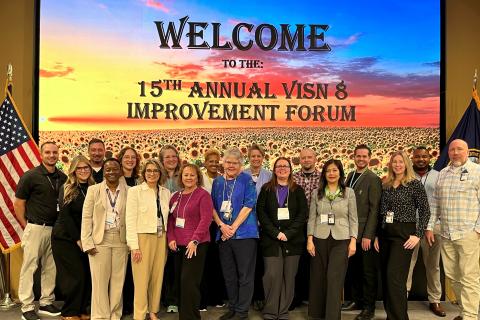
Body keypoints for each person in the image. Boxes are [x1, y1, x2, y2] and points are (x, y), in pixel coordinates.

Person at [425, 139, 480, 320]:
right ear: (448, 152)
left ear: (467, 151)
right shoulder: (442, 174)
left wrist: (477, 230)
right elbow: (435, 204)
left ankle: (471, 316)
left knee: (469, 276)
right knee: (453, 275)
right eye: (452, 150)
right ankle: (465, 311)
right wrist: (430, 226)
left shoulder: (477, 172)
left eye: (460, 149)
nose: (455, 153)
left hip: (467, 233)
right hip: (446, 233)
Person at [14, 142, 67, 320]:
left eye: (54, 152)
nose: (52, 155)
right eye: (48, 152)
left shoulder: (63, 177)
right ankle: (27, 307)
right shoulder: (30, 176)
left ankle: (46, 302)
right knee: (29, 268)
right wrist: (27, 225)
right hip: (36, 227)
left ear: (58, 154)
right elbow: (19, 203)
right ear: (41, 154)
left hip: (55, 230)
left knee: (50, 268)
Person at [375, 151, 430, 320]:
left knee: (395, 278)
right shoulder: (387, 184)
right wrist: (377, 235)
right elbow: (381, 212)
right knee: (386, 277)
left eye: (401, 162)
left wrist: (418, 235)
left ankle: (400, 317)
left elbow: (425, 211)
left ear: (406, 163)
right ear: (390, 164)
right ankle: (391, 315)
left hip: (404, 235)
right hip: (385, 234)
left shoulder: (414, 184)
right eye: (394, 162)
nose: (397, 165)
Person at [257, 157, 307, 320]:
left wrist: (289, 233)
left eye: (285, 166)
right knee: (272, 275)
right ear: (274, 169)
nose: (282, 169)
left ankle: (283, 311)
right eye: (279, 166)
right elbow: (261, 213)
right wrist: (276, 233)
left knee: (289, 276)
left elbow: (302, 214)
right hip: (271, 240)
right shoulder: (266, 189)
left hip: (293, 241)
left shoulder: (297, 190)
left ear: (290, 169)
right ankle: (271, 311)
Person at [307, 159, 358, 320]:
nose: (331, 173)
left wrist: (353, 241)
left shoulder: (349, 192)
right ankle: (316, 314)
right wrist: (309, 240)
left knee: (334, 278)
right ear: (324, 174)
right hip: (319, 238)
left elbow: (353, 219)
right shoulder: (317, 192)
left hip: (341, 239)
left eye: (335, 170)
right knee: (318, 278)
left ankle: (332, 316)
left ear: (340, 173)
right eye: (328, 170)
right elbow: (312, 218)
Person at [212, 148, 258, 320]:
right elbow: (212, 208)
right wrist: (221, 225)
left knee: (245, 275)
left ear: (241, 165)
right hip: (223, 234)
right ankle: (232, 306)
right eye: (228, 162)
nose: (231, 165)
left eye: (235, 163)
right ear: (223, 163)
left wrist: (232, 228)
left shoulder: (247, 180)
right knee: (229, 274)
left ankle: (242, 311)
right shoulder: (217, 182)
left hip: (245, 234)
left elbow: (249, 205)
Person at [81, 158, 129, 320]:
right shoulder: (93, 190)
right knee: (99, 281)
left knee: (118, 280)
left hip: (121, 240)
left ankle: (115, 314)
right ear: (103, 172)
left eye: (115, 169)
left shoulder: (130, 191)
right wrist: (87, 243)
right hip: (100, 240)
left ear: (120, 171)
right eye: (108, 169)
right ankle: (100, 316)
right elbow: (86, 218)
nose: (111, 172)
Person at [167, 164, 213, 320]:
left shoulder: (203, 195)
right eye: (185, 175)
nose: (189, 178)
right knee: (180, 283)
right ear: (181, 177)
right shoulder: (175, 196)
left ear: (197, 177)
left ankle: (191, 317)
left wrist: (195, 240)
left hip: (196, 245)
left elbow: (206, 219)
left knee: (189, 283)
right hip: (178, 245)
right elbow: (171, 221)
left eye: (192, 175)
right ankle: (184, 316)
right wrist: (171, 238)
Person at [126, 159, 170, 320]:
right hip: (142, 238)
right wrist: (134, 246)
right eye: (149, 171)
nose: (152, 174)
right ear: (144, 173)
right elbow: (130, 220)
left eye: (155, 171)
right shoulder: (135, 191)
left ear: (160, 174)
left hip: (161, 238)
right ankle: (139, 314)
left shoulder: (165, 192)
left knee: (157, 277)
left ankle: (153, 311)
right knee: (141, 279)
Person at [51, 155, 94, 320]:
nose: (83, 171)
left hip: (84, 238)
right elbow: (66, 217)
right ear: (74, 171)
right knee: (74, 276)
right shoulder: (67, 188)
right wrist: (78, 239)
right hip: (65, 239)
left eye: (86, 168)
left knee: (85, 275)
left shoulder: (92, 187)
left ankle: (82, 309)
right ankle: (69, 312)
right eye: (80, 168)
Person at [342, 144, 382, 320]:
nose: (361, 159)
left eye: (364, 156)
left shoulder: (373, 179)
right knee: (354, 270)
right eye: (358, 156)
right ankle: (356, 300)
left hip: (364, 233)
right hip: (350, 232)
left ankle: (369, 307)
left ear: (369, 158)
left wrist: (368, 235)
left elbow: (375, 209)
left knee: (367, 272)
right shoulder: (350, 175)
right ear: (354, 157)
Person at [406, 146, 445, 317]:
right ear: (412, 158)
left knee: (433, 265)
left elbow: (441, 202)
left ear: (430, 158)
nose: (421, 159)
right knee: (407, 265)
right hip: (410, 228)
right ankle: (402, 297)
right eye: (417, 157)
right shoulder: (406, 176)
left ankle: (435, 300)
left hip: (432, 227)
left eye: (424, 156)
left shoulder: (438, 176)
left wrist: (432, 224)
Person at [244, 144, 272, 311]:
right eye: (253, 156)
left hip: (263, 225)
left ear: (263, 158)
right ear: (249, 158)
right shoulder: (242, 174)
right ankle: (250, 296)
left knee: (262, 263)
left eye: (258, 156)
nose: (256, 159)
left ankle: (261, 296)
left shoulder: (269, 175)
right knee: (248, 262)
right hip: (246, 224)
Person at [292, 148, 321, 309]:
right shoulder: (293, 177)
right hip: (298, 225)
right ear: (300, 160)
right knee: (298, 262)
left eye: (310, 157)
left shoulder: (323, 177)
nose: (306, 160)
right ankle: (297, 296)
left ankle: (313, 298)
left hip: (317, 226)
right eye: (303, 158)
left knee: (315, 262)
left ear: (315, 159)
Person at [200, 149, 227, 310]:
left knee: (217, 262)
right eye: (211, 161)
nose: (214, 164)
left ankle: (217, 297)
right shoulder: (200, 178)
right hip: (204, 225)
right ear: (205, 162)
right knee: (204, 263)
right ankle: (203, 298)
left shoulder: (223, 179)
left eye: (217, 161)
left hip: (219, 224)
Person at [117, 146, 141, 316]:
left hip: (137, 230)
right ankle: (121, 304)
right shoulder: (114, 179)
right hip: (118, 230)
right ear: (121, 159)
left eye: (133, 157)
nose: (130, 160)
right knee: (120, 271)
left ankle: (134, 304)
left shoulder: (141, 180)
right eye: (127, 157)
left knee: (135, 271)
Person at [159, 145, 181, 313]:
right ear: (162, 160)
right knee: (163, 265)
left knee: (176, 265)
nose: (171, 159)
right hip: (161, 226)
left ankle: (175, 299)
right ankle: (164, 298)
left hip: (181, 227)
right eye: (167, 157)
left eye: (174, 156)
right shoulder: (158, 177)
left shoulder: (184, 176)